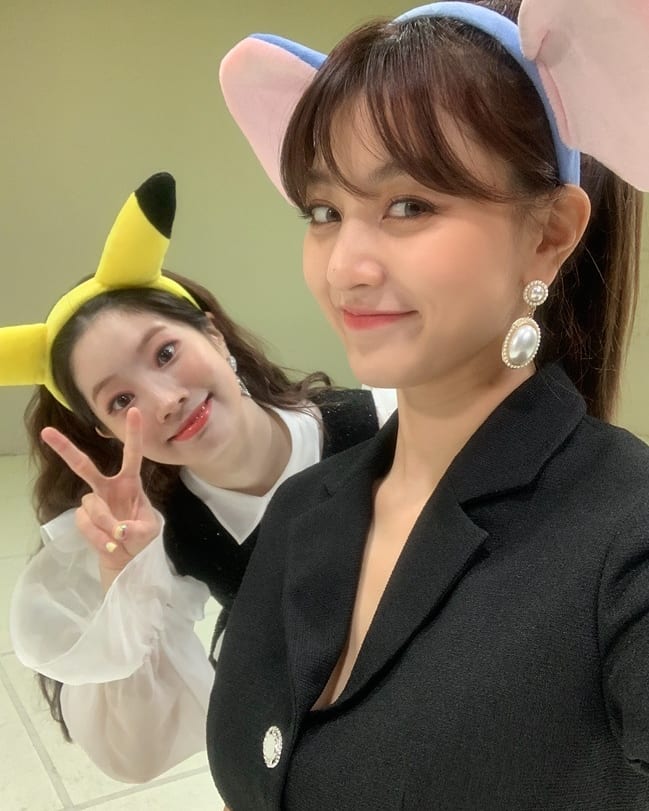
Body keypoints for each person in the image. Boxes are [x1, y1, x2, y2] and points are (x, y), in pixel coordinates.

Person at [209, 1, 649, 808]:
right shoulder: (303, 505)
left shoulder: (626, 538)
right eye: (323, 212)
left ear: (549, 233)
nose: (344, 267)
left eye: (408, 205)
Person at [3, 171, 395, 783]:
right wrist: (124, 577)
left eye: (165, 353)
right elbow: (136, 753)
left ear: (213, 333)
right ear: (107, 430)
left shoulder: (385, 420)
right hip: (316, 728)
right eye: (120, 400)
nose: (163, 401)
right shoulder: (170, 536)